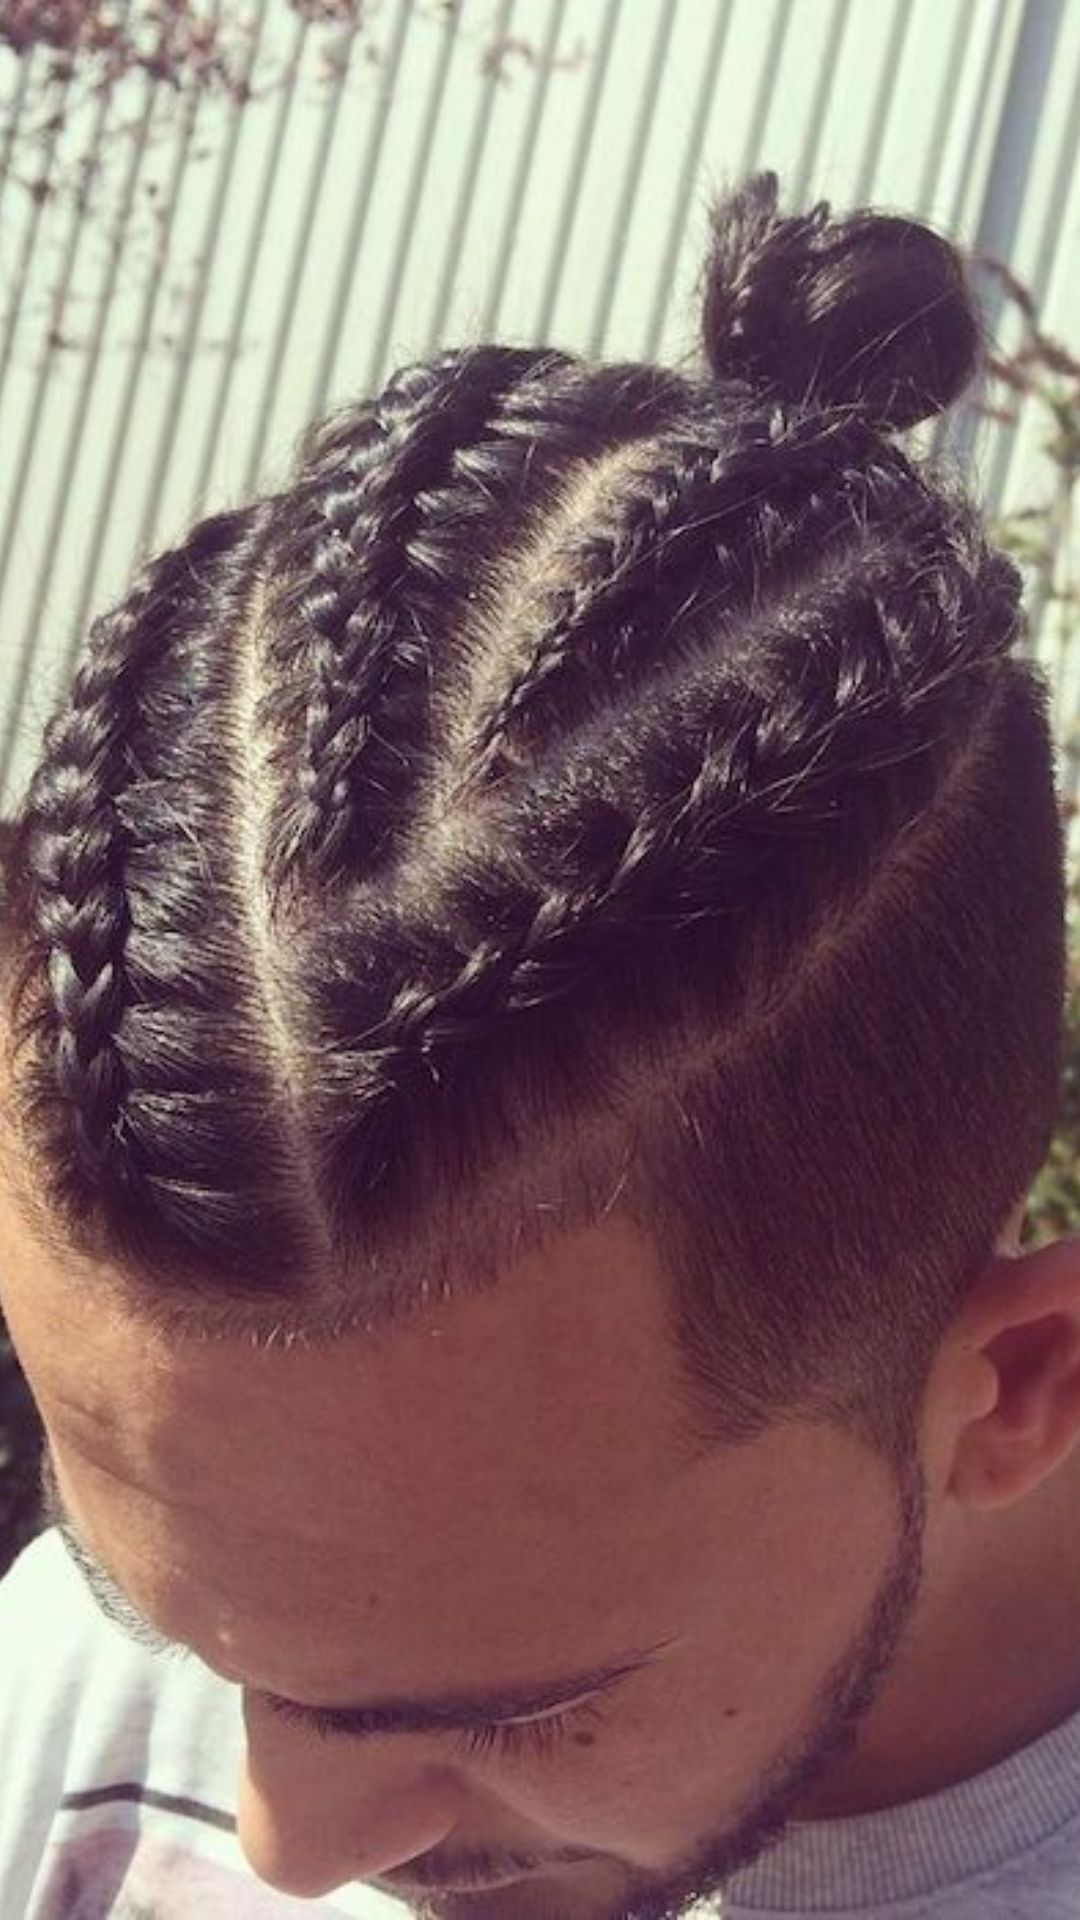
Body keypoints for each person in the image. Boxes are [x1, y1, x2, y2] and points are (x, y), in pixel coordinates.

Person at [0, 165, 1076, 1920]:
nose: (284, 1839)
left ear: (1021, 1391)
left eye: (522, 1710)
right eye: (149, 1599)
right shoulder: (81, 1690)